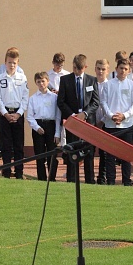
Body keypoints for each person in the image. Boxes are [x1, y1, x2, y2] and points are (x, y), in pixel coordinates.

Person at [57, 54, 99, 184]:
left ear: (85, 67)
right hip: (73, 122)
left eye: (79, 69)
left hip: (87, 122)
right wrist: (73, 115)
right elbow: (61, 101)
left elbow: (95, 102)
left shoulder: (92, 80)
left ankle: (90, 180)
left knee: (89, 152)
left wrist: (85, 114)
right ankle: (71, 179)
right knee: (72, 151)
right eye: (75, 68)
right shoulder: (65, 80)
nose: (76, 71)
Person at [101, 58, 133, 186]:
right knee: (110, 155)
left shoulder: (132, 85)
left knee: (126, 155)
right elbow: (104, 102)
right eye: (121, 68)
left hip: (127, 125)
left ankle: (126, 180)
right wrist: (112, 116)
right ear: (116, 69)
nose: (123, 71)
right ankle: (111, 181)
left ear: (129, 71)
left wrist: (124, 116)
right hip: (111, 125)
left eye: (126, 69)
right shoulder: (108, 84)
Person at [0, 47, 28, 178]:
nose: (12, 65)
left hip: (18, 114)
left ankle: (19, 172)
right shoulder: (0, 78)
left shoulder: (23, 78)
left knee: (18, 145)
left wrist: (18, 114)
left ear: (18, 63)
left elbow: (25, 98)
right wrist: (5, 114)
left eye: (14, 62)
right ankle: (6, 171)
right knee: (6, 145)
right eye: (9, 62)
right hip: (5, 114)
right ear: (5, 63)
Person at [26, 71, 60, 181]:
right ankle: (41, 178)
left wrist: (57, 132)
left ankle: (52, 177)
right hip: (38, 125)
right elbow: (30, 116)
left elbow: (58, 115)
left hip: (51, 125)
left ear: (48, 81)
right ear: (36, 83)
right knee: (39, 154)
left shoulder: (54, 97)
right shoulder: (33, 98)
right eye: (38, 81)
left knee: (52, 153)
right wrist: (37, 127)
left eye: (43, 81)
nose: (41, 84)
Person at [94, 59, 110, 184]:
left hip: (106, 122)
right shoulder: (90, 83)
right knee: (88, 151)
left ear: (107, 70)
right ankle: (90, 177)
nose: (100, 71)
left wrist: (102, 121)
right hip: (91, 122)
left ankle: (102, 177)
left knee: (104, 152)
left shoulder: (110, 85)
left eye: (103, 69)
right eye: (98, 68)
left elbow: (111, 105)